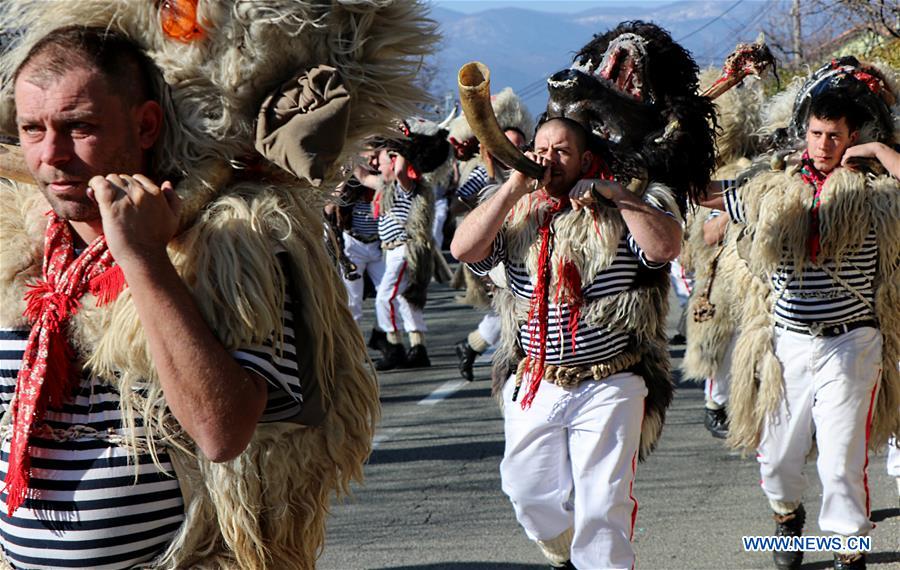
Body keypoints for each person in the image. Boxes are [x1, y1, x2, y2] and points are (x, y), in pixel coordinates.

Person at [0, 1, 434, 565]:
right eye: (32, 129)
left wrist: (144, 260)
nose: (51, 156)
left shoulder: (235, 246)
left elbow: (222, 431)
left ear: (146, 125)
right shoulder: (17, 245)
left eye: (80, 127)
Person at [452, 117, 683, 570]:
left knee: (604, 505)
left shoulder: (619, 208)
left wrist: (617, 195)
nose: (548, 160)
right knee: (526, 491)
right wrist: (513, 187)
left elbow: (664, 249)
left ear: (584, 159)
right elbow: (464, 250)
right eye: (541, 150)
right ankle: (562, 552)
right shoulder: (515, 210)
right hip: (536, 379)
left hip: (611, 382)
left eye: (561, 151)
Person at [704, 79, 899, 570]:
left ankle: (847, 550)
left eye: (835, 136)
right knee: (778, 458)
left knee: (840, 459)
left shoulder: (876, 193)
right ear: (804, 134)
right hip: (787, 342)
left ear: (852, 137)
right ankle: (787, 517)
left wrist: (878, 151)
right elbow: (706, 195)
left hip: (852, 341)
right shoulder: (772, 189)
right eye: (816, 134)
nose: (824, 145)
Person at [371, 118, 449, 371]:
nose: (376, 164)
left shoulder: (407, 186)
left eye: (382, 160)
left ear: (395, 162)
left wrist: (403, 142)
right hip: (392, 251)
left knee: (384, 298)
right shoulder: (385, 186)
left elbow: (401, 171)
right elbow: (361, 175)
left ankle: (393, 346)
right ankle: (418, 348)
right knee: (407, 300)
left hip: (405, 250)